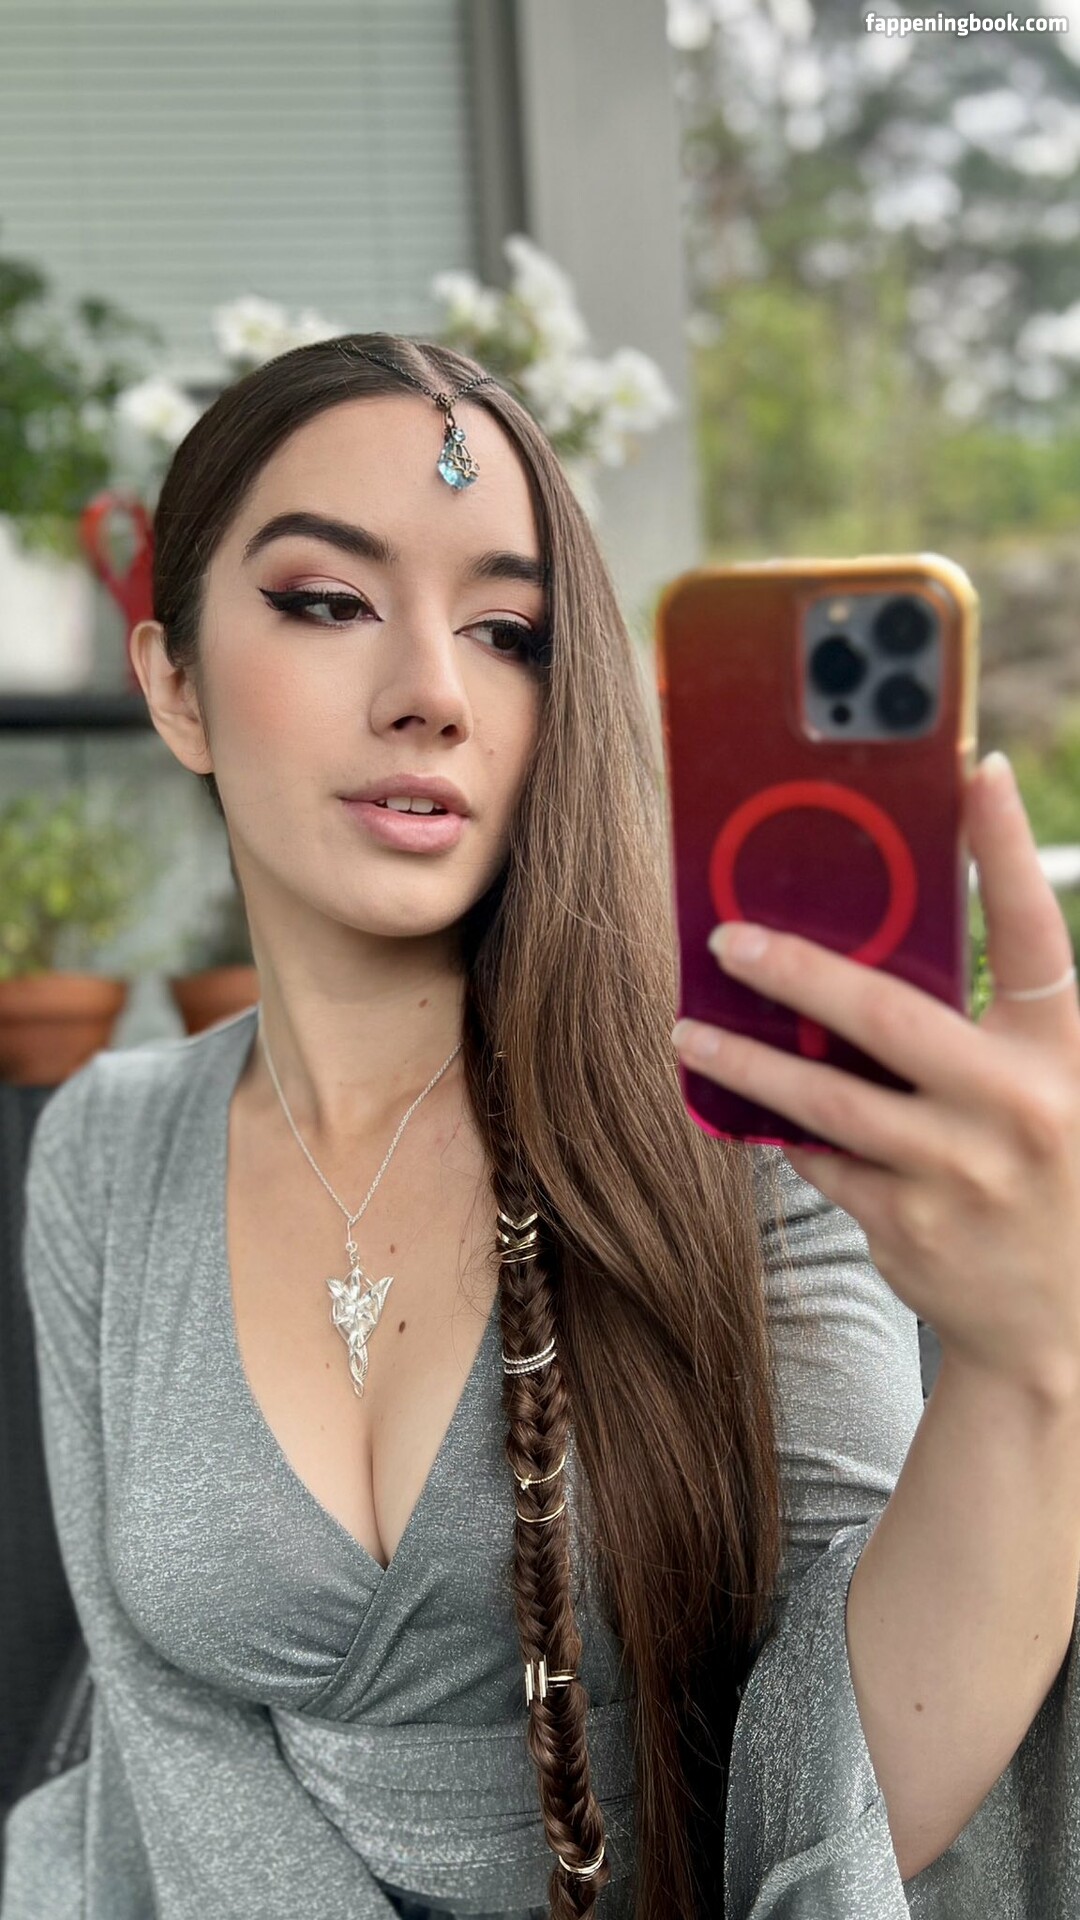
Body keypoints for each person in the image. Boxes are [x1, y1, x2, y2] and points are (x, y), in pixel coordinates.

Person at [3, 331, 1080, 1920]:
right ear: (173, 686)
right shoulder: (102, 1145)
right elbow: (169, 1730)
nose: (433, 694)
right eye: (327, 600)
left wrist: (1030, 1361)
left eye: (508, 632)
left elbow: (855, 1777)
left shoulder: (732, 1121)